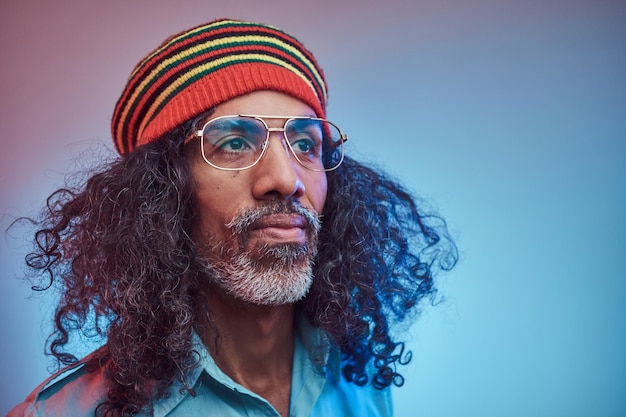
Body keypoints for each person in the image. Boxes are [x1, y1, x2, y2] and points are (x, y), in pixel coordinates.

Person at [8, 18, 457, 417]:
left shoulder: (361, 382)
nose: (285, 179)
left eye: (305, 144)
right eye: (235, 143)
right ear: (161, 194)